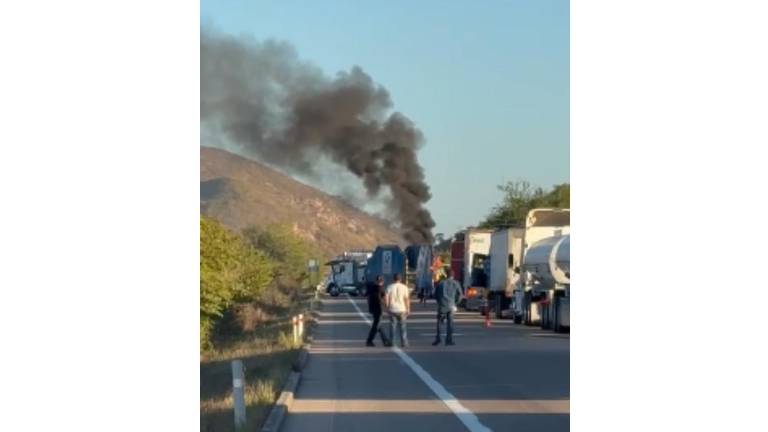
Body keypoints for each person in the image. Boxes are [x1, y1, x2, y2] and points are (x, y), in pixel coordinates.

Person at [433, 267, 463, 346]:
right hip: (451, 305)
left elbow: (435, 295)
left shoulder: (441, 283)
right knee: (450, 323)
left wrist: (439, 302)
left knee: (439, 323)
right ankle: (449, 340)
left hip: (442, 305)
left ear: (446, 275)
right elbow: (460, 295)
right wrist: (456, 303)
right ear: (453, 275)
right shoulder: (456, 283)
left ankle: (438, 339)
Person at [384, 273, 410, 348]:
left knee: (392, 326)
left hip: (392, 309)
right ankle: (404, 342)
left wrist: (387, 307)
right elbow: (406, 299)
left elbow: (386, 298)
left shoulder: (389, 287)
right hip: (402, 309)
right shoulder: (404, 287)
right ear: (400, 279)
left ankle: (391, 342)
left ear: (393, 279)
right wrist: (408, 308)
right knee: (403, 327)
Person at [365, 275, 391, 347]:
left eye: (380, 281)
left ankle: (385, 341)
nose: (379, 283)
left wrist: (369, 307)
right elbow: (385, 298)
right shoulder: (381, 289)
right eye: (379, 281)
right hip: (379, 309)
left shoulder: (371, 288)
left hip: (374, 309)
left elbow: (368, 298)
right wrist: (387, 307)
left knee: (378, 325)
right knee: (376, 326)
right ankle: (369, 341)